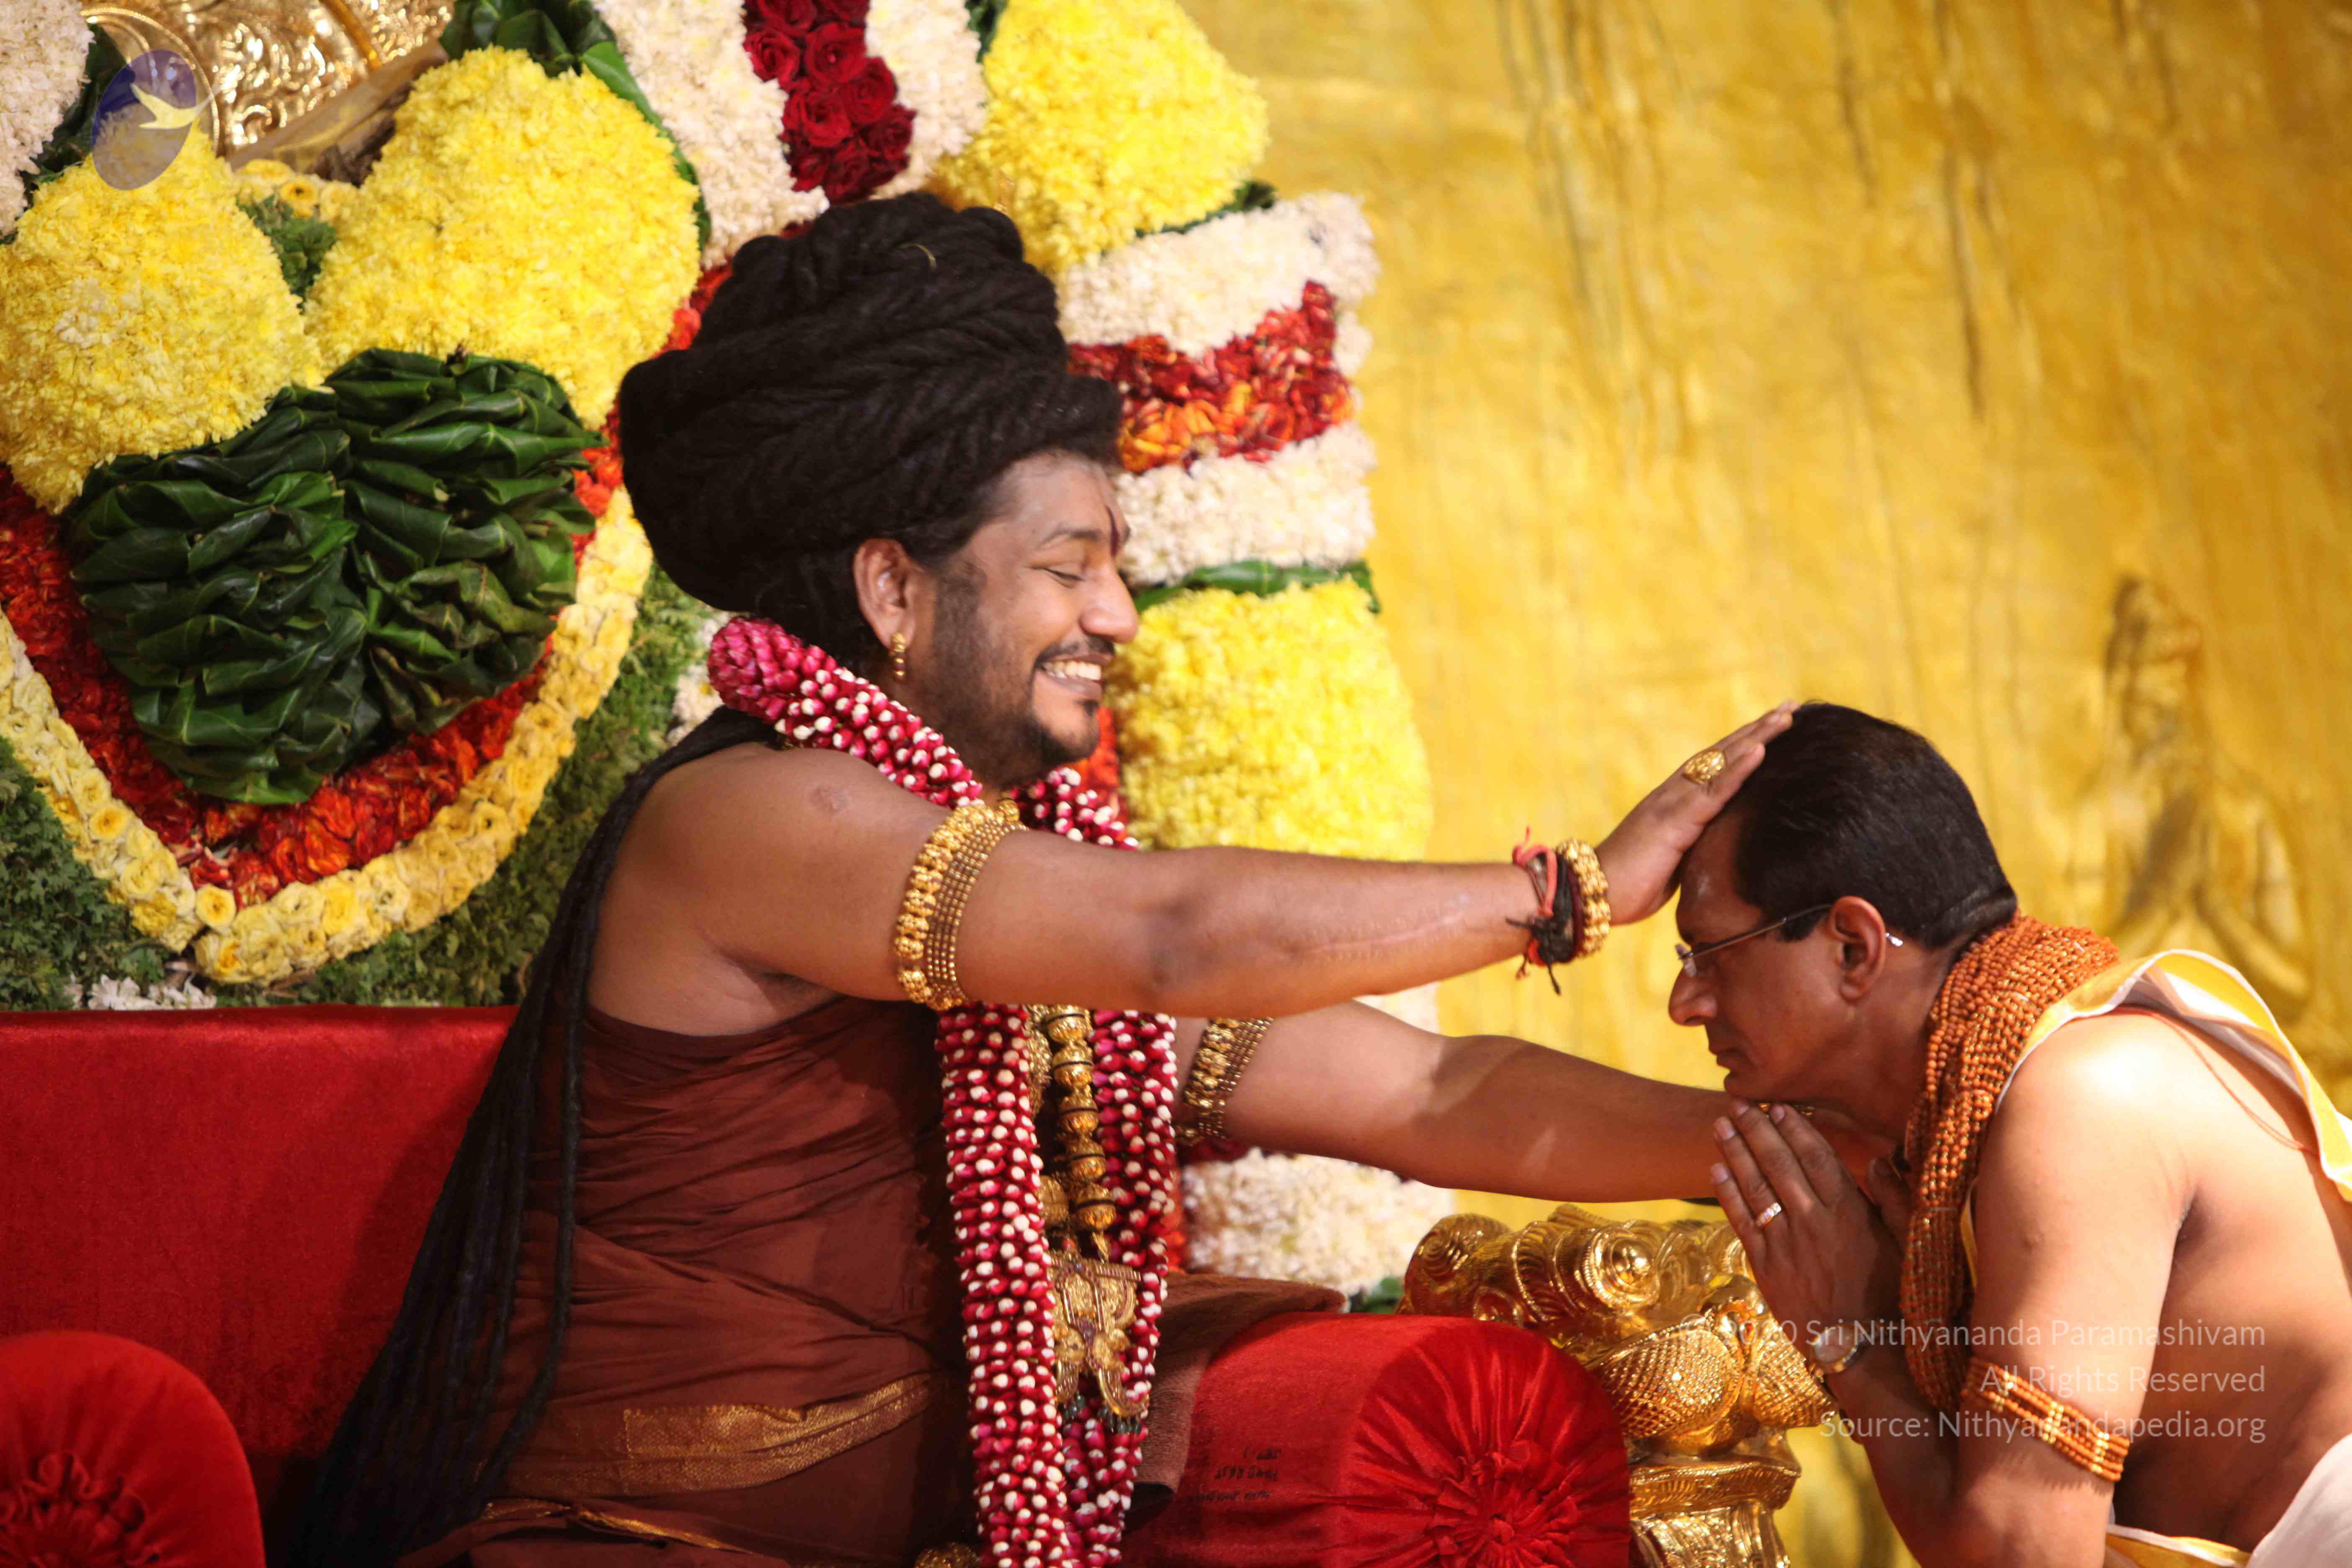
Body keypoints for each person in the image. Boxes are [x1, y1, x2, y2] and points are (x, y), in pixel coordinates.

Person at [291, 193, 1791, 1568]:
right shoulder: (750, 817)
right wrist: (1568, 891)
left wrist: (1791, 1151)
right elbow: (1171, 936)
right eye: (1070, 567)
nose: (1118, 615)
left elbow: (1430, 1094)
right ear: (894, 586)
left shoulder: (1028, 906)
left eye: (1115, 566)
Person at [1680, 703, 2352, 1568]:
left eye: (1710, 952)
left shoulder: (2084, 1102)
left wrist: (1857, 1344)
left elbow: (2022, 1554)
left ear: (1852, 946)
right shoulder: (1944, 1131)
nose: (1686, 1003)